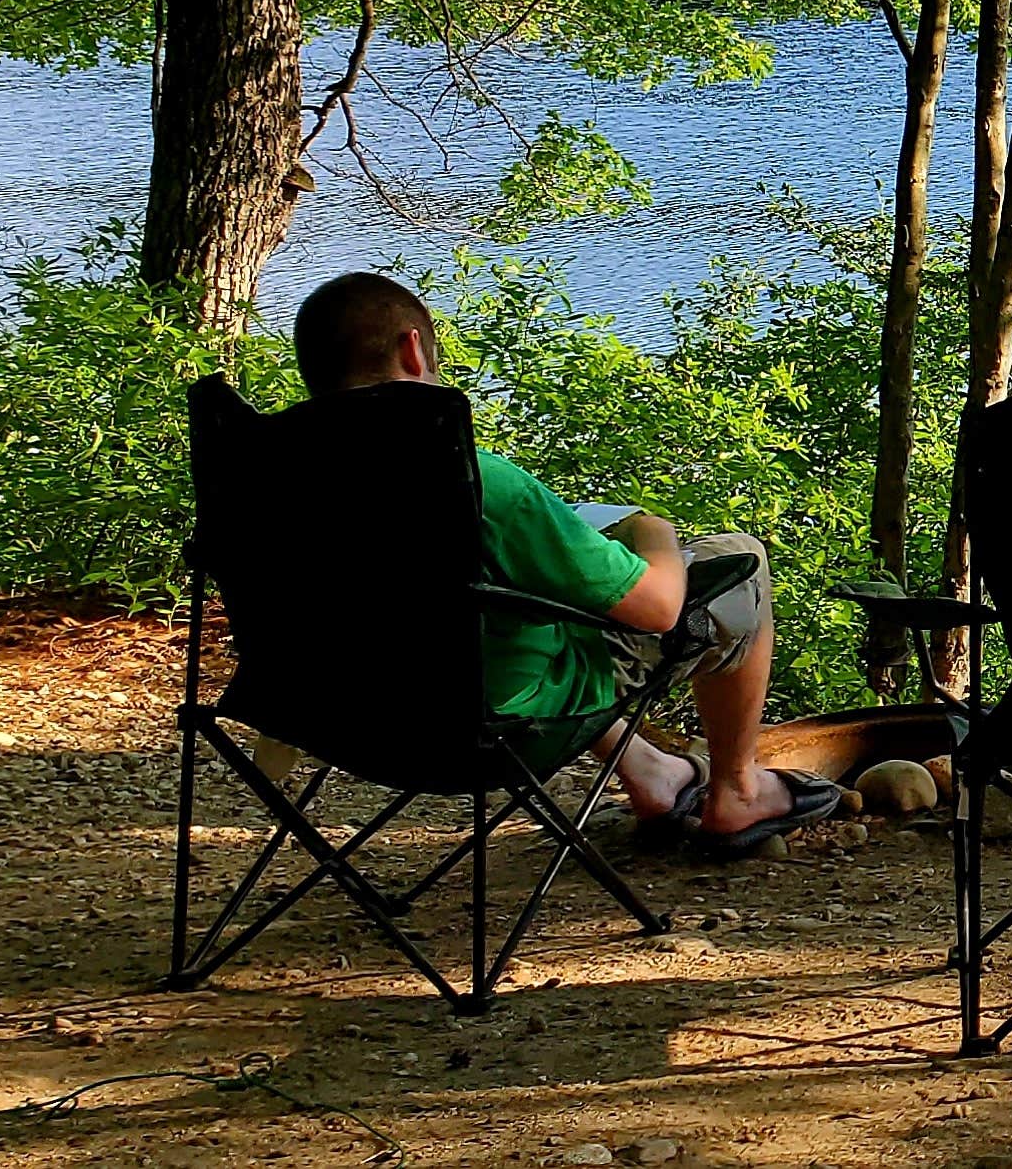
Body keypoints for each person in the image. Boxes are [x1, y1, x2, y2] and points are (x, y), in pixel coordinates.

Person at [291, 271, 840, 855]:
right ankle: (736, 792)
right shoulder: (475, 484)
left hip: (340, 718)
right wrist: (650, 529)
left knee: (504, 611)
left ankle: (650, 771)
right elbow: (657, 609)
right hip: (487, 726)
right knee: (741, 560)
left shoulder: (277, 483)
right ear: (412, 350)